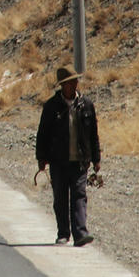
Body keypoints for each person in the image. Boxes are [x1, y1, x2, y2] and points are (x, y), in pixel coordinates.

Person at [36, 65, 101, 247]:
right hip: (58, 161)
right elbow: (43, 134)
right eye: (69, 82)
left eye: (75, 81)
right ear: (62, 85)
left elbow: (93, 134)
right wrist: (41, 158)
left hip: (80, 161)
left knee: (79, 195)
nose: (73, 85)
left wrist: (96, 158)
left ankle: (80, 233)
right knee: (60, 198)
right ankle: (63, 233)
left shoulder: (86, 105)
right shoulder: (51, 107)